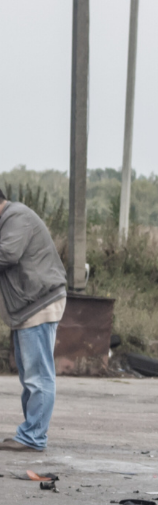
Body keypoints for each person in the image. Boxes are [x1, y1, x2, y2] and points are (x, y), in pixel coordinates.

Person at [0, 188, 68, 452]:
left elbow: (7, 254)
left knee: (38, 377)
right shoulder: (9, 220)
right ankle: (30, 432)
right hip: (27, 307)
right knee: (30, 377)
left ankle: (33, 437)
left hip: (38, 305)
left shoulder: (17, 217)